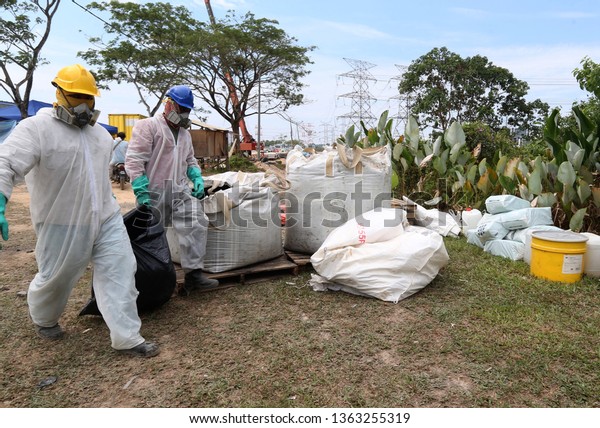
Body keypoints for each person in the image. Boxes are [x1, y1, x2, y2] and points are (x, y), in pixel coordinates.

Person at [0, 64, 159, 358]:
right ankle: (45, 318)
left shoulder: (100, 135)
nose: (84, 105)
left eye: (89, 98)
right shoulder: (36, 128)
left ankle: (127, 338)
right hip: (60, 221)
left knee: (121, 271)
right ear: (59, 94)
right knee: (57, 277)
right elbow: (6, 163)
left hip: (105, 217)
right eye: (76, 96)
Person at [125, 85, 218, 295]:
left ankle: (194, 276)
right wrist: (141, 189)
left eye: (187, 110)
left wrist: (197, 177)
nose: (184, 113)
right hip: (153, 190)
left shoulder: (184, 134)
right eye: (181, 108)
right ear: (169, 104)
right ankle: (145, 279)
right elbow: (135, 160)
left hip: (179, 190)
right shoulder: (147, 126)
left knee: (197, 222)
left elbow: (190, 159)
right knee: (150, 237)